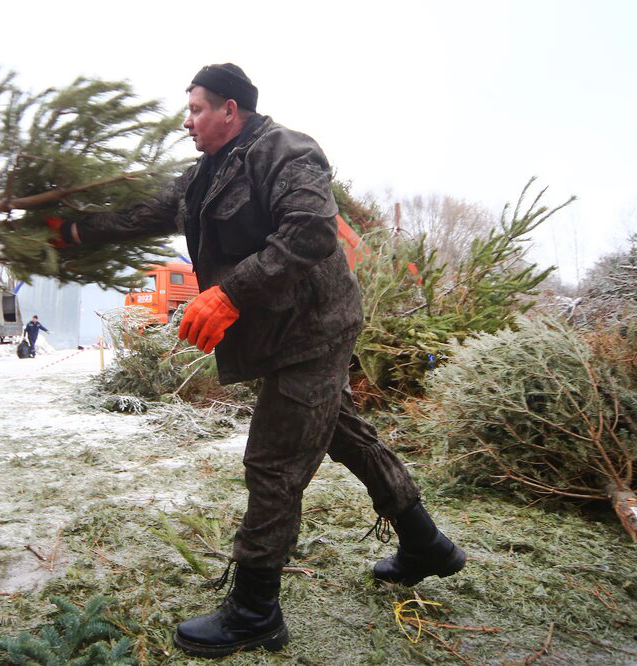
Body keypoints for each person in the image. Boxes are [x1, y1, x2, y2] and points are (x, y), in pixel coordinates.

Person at [53, 63, 465, 658]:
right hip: (278, 333)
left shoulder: (288, 152)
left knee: (272, 462)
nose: (187, 121)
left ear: (230, 110)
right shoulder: (203, 176)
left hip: (316, 328)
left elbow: (310, 233)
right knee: (343, 435)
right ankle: (427, 544)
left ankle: (254, 610)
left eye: (196, 109)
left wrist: (227, 294)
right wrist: (70, 231)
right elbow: (142, 214)